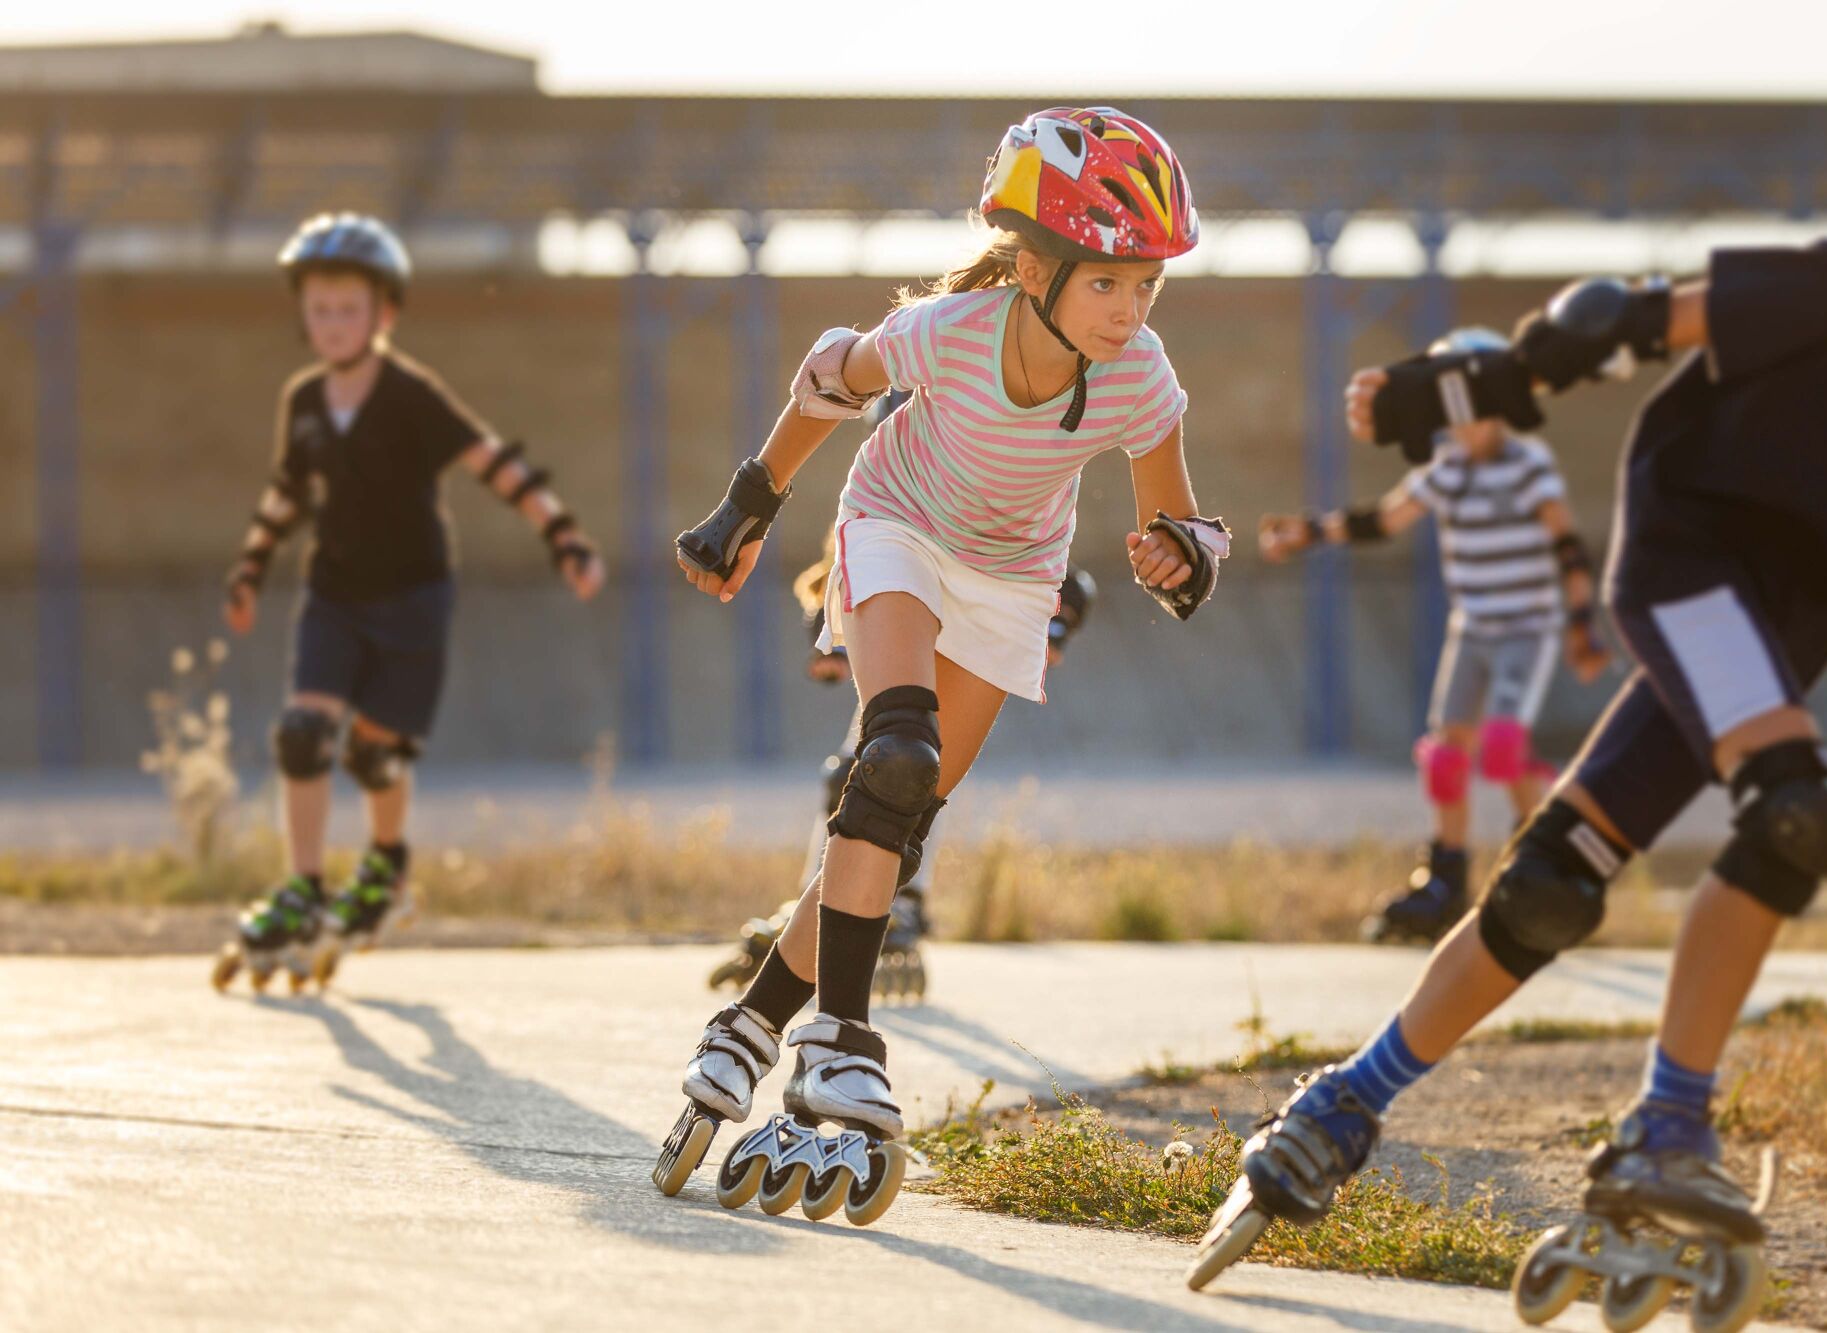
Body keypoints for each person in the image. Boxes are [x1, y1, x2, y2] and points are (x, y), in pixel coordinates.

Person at [1191, 20, 1827, 1329]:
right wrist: (1467, 389)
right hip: (1692, 559)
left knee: (1555, 878)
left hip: (1781, 624)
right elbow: (1627, 319)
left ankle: (1340, 1103)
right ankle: (1668, 1125)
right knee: (1797, 809)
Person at [652, 106, 1225, 1227]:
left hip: (1013, 577)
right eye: (1107, 282)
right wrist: (746, 507)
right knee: (894, 755)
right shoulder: (950, 331)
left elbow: (1180, 528)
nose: (1129, 310)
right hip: (896, 526)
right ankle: (839, 1043)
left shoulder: (1140, 377)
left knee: (891, 826)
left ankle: (749, 1026)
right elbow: (828, 376)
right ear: (1033, 268)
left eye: (1147, 285)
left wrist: (1180, 559)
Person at [211, 213, 604, 994]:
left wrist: (562, 535)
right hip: (333, 593)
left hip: (412, 598)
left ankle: (386, 869)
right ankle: (303, 887)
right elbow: (288, 491)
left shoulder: (411, 395)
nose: (332, 323)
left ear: (384, 312)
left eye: (347, 309)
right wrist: (251, 566)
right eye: (319, 309)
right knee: (302, 734)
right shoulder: (304, 399)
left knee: (373, 754)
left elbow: (494, 462)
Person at [1259, 326, 1609, 945]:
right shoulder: (1447, 469)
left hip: (1526, 628)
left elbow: (1566, 544)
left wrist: (1582, 625)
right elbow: (1384, 519)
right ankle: (1446, 881)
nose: (1465, 428)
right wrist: (1307, 533)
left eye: (1474, 412)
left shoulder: (1527, 465)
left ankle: (1545, 866)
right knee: (1446, 754)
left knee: (1503, 750)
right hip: (1472, 627)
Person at [708, 548, 1097, 1001]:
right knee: (864, 772)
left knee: (915, 774)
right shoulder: (882, 514)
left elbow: (1063, 572)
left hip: (961, 644)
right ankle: (816, 896)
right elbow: (848, 557)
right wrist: (830, 639)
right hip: (906, 637)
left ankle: (903, 899)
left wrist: (1054, 626)